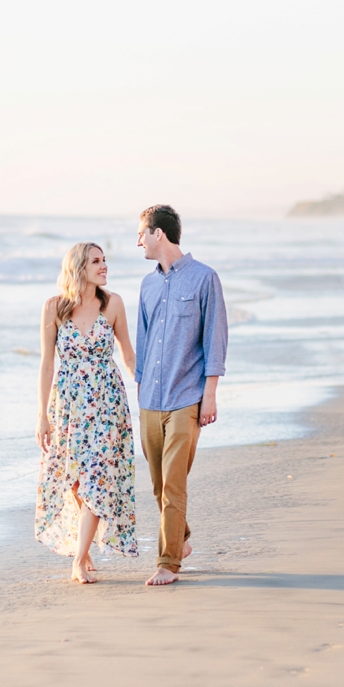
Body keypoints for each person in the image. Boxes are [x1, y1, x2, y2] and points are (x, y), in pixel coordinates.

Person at [35, 242, 138, 583]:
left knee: (97, 477)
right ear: (78, 267)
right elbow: (47, 364)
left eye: (105, 260)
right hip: (68, 406)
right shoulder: (54, 308)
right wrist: (42, 415)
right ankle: (85, 541)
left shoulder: (113, 304)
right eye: (96, 261)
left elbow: (127, 356)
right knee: (76, 481)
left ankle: (78, 560)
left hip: (107, 405)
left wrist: (150, 386)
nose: (104, 265)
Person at [135, 205, 228, 586]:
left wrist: (210, 395)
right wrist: (139, 391)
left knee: (174, 483)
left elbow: (215, 339)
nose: (138, 240)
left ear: (159, 234)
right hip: (149, 402)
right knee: (158, 485)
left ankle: (167, 563)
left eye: (141, 233)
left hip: (187, 398)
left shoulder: (205, 278)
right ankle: (182, 537)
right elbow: (142, 340)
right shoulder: (147, 284)